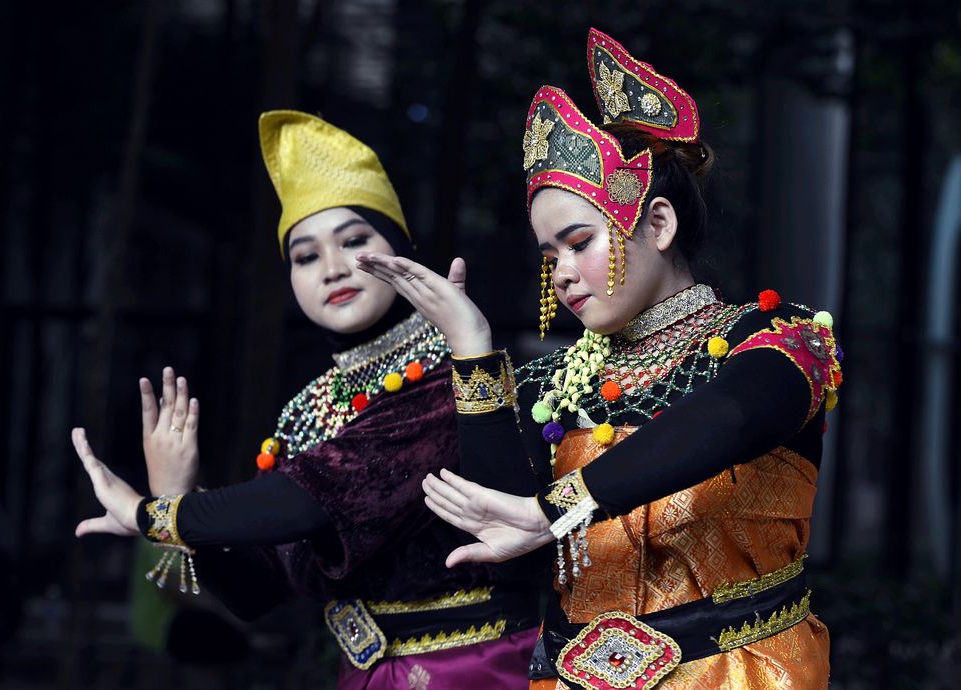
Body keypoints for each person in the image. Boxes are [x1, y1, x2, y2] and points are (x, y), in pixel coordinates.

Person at [356, 28, 838, 689]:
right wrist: (471, 349)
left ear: (659, 224)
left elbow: (726, 418)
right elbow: (504, 528)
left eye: (579, 242)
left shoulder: (779, 339)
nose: (559, 272)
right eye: (548, 255)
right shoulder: (556, 386)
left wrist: (557, 508)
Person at [72, 110, 541, 689]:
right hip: (363, 676)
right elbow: (254, 593)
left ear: (399, 246)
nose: (333, 268)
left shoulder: (449, 377)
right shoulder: (307, 411)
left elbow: (312, 499)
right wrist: (177, 493)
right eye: (305, 255)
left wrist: (152, 514)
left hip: (476, 672)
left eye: (354, 240)